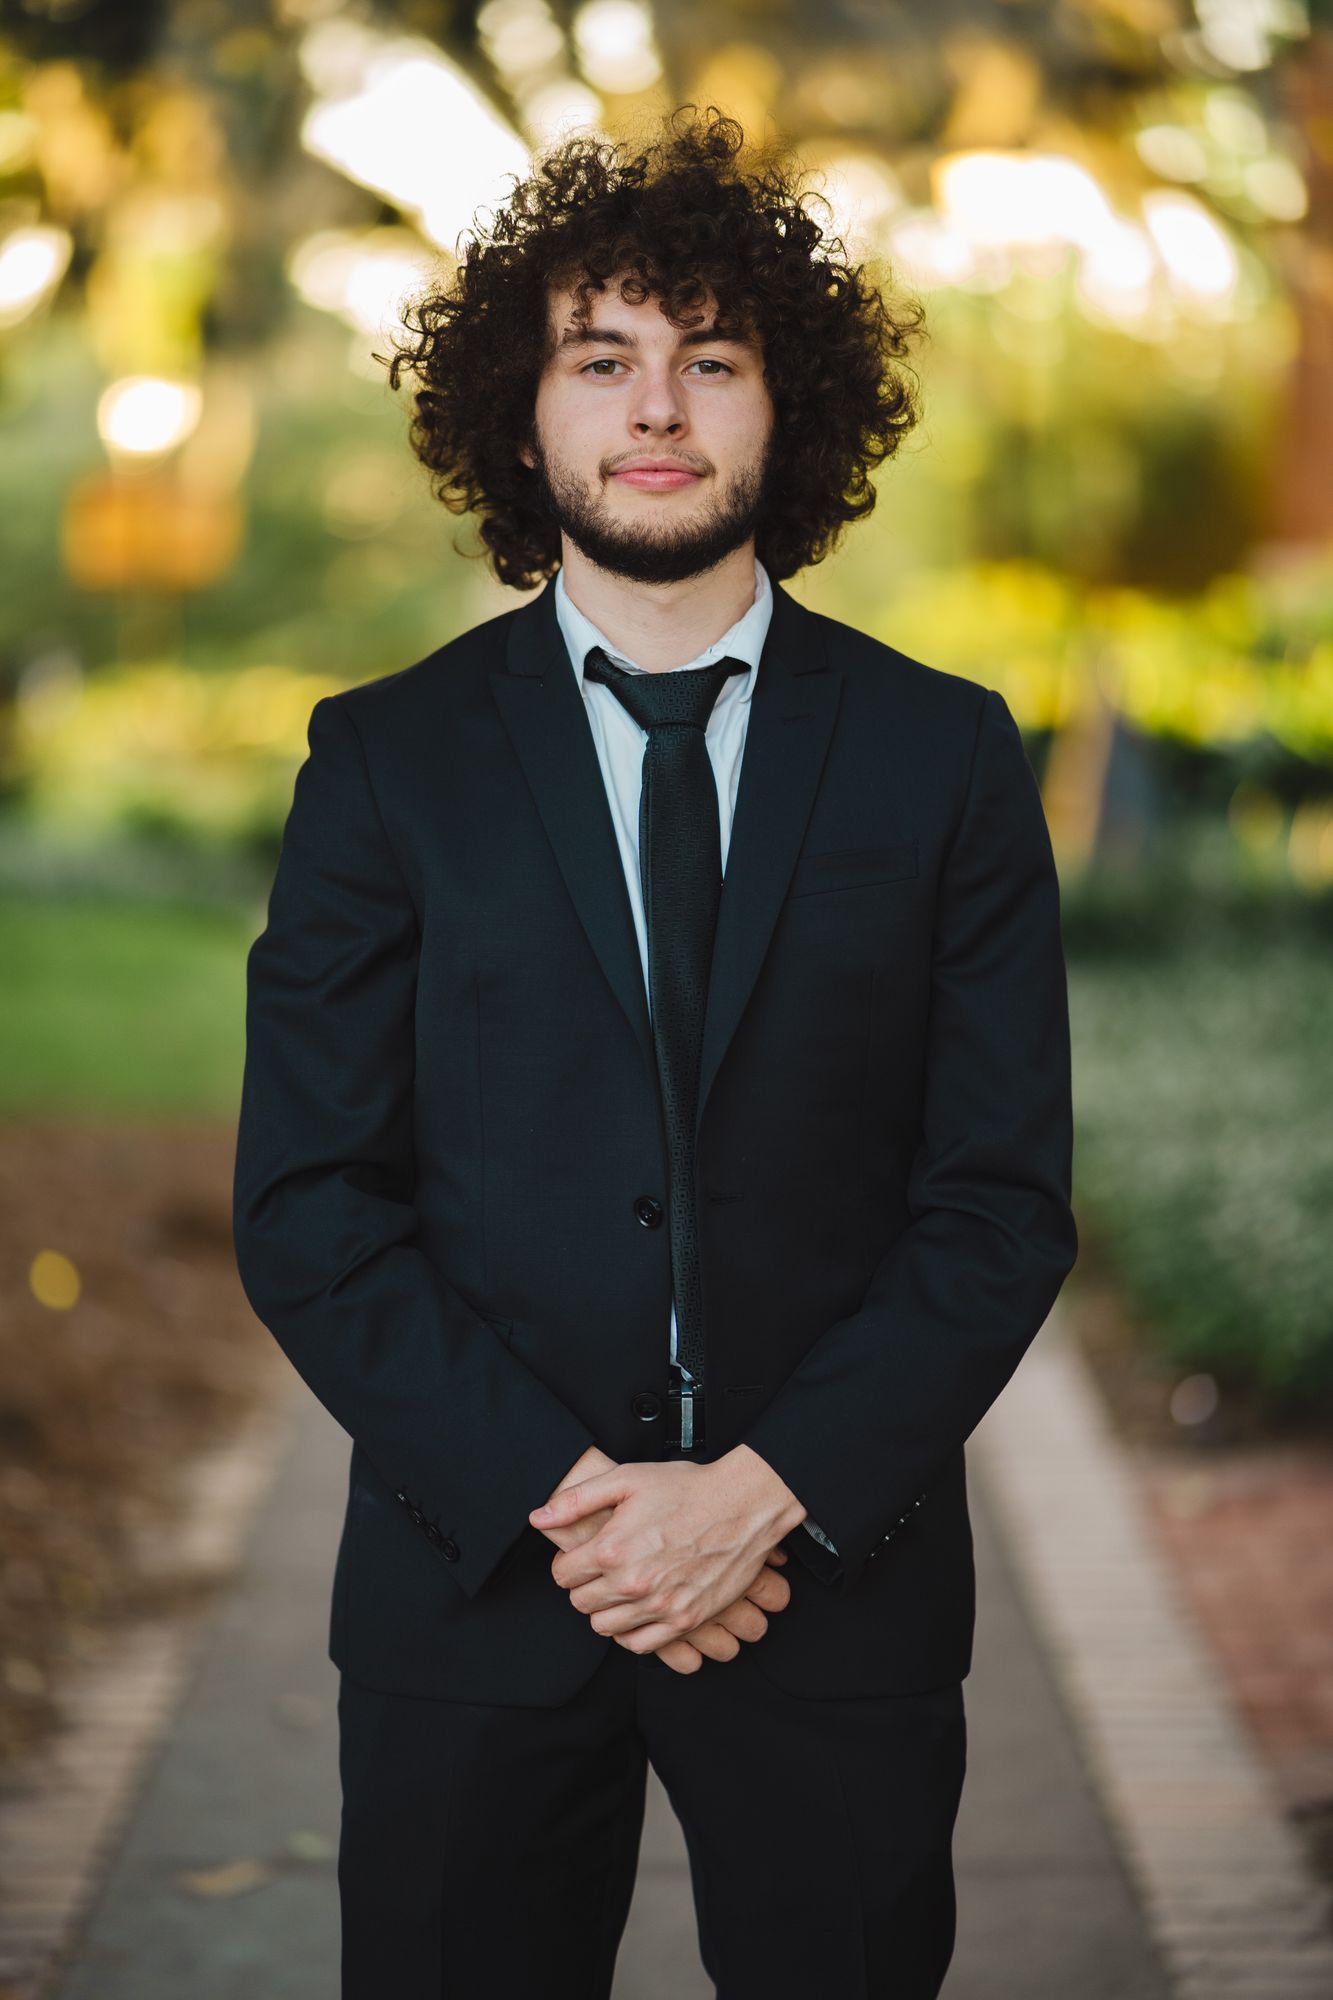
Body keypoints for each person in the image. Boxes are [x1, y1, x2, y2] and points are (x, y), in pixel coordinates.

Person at [232, 105, 1077, 2000]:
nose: (657, 406)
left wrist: (754, 1497)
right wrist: (600, 1515)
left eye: (713, 358)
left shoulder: (944, 756)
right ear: (521, 418)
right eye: (598, 358)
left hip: (833, 1592)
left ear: (792, 408)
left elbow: (996, 1206)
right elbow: (309, 1206)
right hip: (475, 1593)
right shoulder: (386, 761)